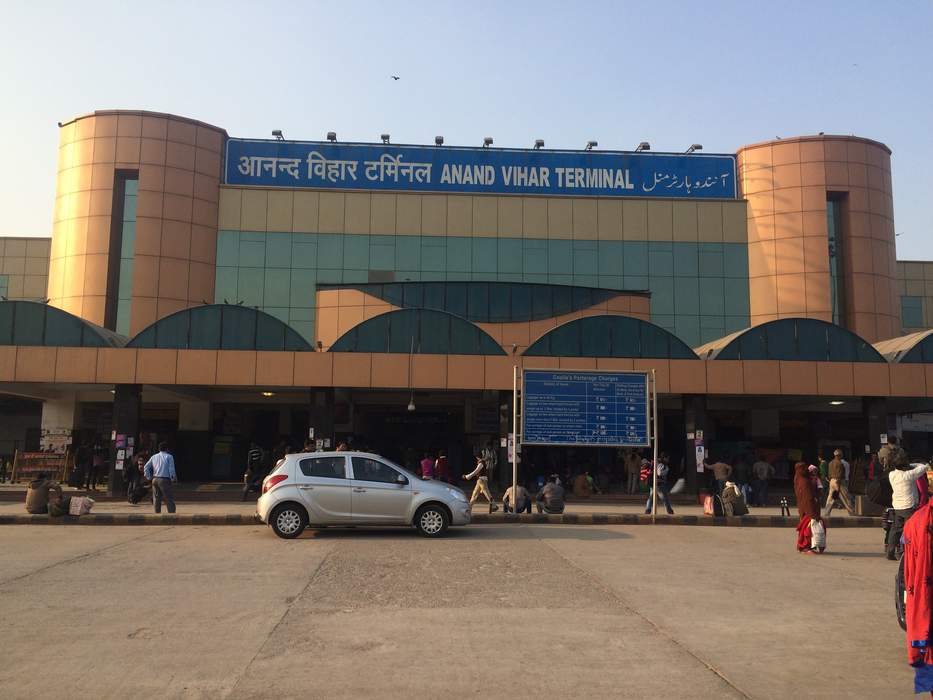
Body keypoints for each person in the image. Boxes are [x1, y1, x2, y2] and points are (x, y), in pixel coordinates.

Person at [886, 461, 929, 560]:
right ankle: (905, 552)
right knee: (911, 530)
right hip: (909, 507)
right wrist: (912, 464)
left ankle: (890, 552)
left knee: (895, 530)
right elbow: (924, 467)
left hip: (897, 506)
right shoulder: (909, 475)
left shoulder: (892, 475)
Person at [793, 461, 824, 553]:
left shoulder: (797, 478)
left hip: (802, 507)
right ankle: (806, 546)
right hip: (808, 509)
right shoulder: (805, 481)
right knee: (807, 528)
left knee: (804, 527)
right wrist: (813, 513)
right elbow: (808, 498)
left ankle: (804, 546)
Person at [143, 442, 177, 514]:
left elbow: (146, 466)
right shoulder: (169, 456)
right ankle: (171, 514)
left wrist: (148, 476)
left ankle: (157, 513)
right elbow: (171, 468)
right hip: (164, 479)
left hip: (155, 479)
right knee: (168, 497)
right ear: (167, 449)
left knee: (156, 498)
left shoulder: (154, 456)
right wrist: (173, 478)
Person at [823, 449, 855, 517]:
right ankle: (851, 512)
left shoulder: (830, 463)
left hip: (832, 481)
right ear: (839, 455)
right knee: (846, 497)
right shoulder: (840, 463)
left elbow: (829, 474)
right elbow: (840, 474)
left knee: (831, 497)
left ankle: (826, 512)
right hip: (839, 481)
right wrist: (838, 484)